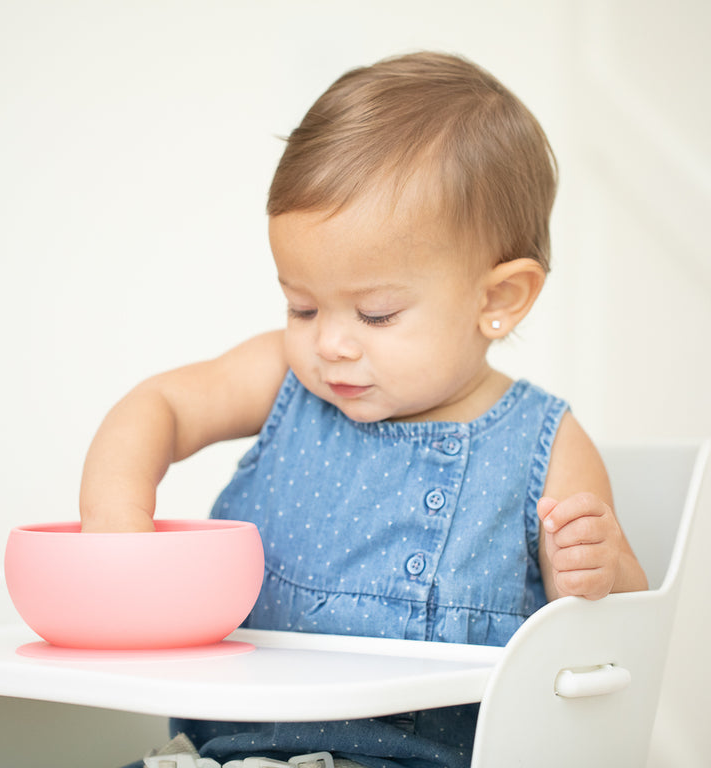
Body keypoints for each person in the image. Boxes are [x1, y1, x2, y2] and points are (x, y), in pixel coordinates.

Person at [80, 51, 647, 768]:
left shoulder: (547, 442)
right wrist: (116, 519)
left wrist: (598, 573)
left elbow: (619, 640)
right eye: (302, 306)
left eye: (375, 313)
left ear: (498, 299)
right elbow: (159, 405)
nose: (330, 344)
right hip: (220, 753)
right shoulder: (281, 377)